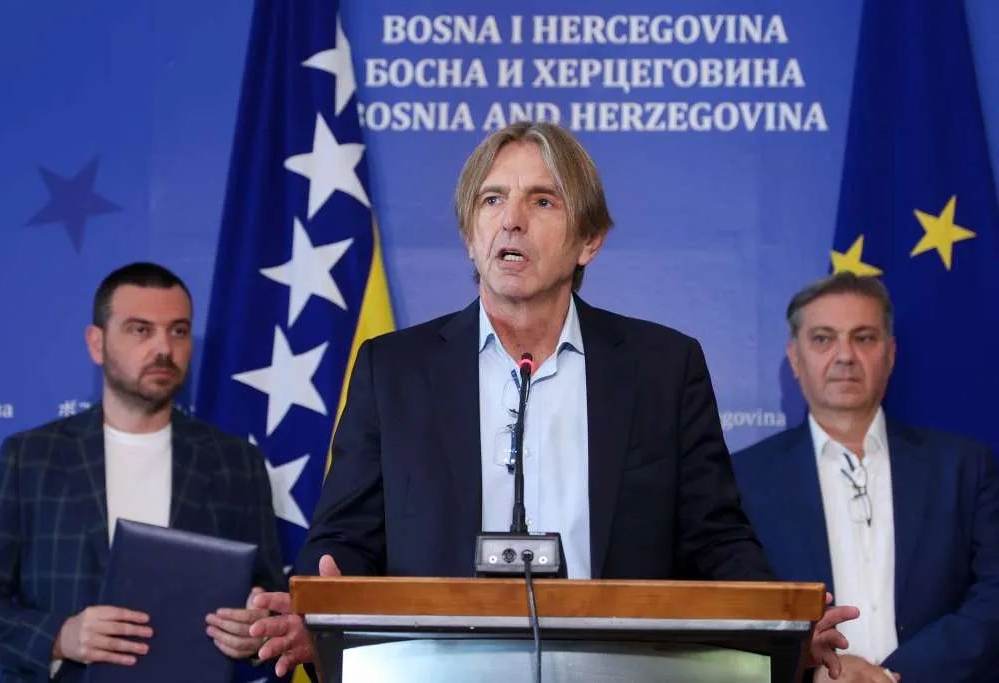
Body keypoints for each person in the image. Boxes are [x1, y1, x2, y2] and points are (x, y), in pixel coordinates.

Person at [249, 122, 856, 677]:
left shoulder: (663, 369)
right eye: (492, 200)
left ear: (589, 240)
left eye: (542, 201)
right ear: (470, 238)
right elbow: (345, 540)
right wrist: (315, 609)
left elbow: (715, 540)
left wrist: (784, 630)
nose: (511, 221)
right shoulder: (394, 371)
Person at [0, 262, 285, 682]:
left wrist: (255, 631)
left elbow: (269, 601)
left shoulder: (237, 462)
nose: (164, 348)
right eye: (141, 330)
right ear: (96, 343)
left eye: (178, 331)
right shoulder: (31, 457)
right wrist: (58, 637)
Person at [733, 273, 999, 683]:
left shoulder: (964, 467)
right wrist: (812, 669)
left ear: (890, 354)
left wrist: (892, 676)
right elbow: (731, 608)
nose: (845, 355)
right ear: (795, 358)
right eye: (823, 339)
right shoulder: (743, 479)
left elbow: (993, 593)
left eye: (864, 338)